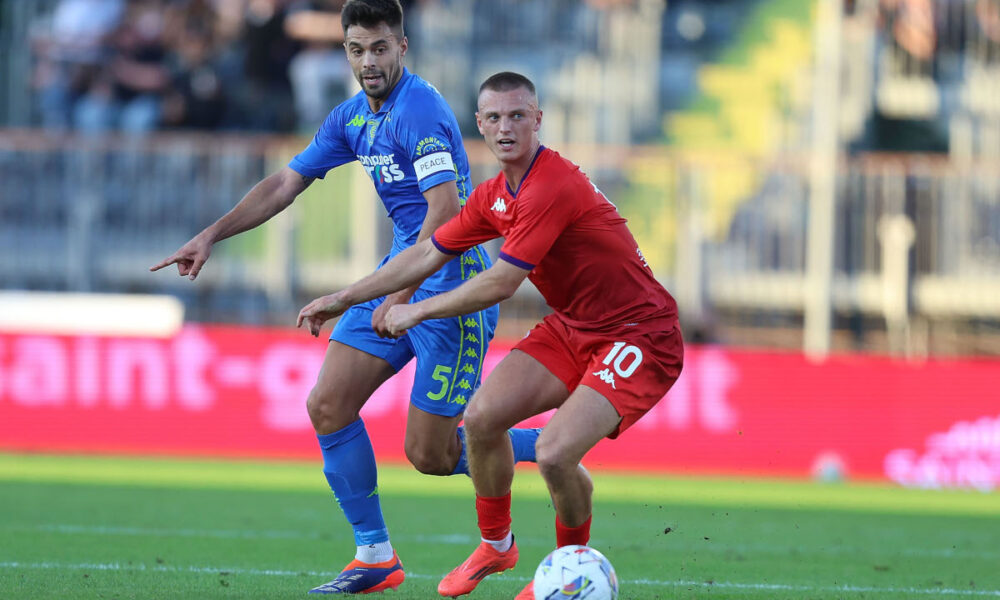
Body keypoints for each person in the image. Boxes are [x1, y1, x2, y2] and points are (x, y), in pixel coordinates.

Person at [150, 4, 542, 594]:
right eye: (357, 50)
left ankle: (546, 443)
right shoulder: (351, 117)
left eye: (379, 49)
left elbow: (445, 218)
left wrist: (402, 299)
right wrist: (211, 235)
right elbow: (286, 181)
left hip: (452, 292)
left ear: (402, 47)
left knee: (429, 455)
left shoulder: (422, 113)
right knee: (327, 405)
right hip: (395, 278)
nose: (368, 62)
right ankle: (375, 556)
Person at [296, 71, 684, 599]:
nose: (506, 127)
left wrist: (417, 310)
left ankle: (569, 570)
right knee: (479, 420)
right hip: (574, 324)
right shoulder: (495, 195)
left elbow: (502, 281)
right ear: (479, 125)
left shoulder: (551, 184)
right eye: (495, 118)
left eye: (518, 116)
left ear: (538, 121)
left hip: (639, 334)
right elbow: (429, 251)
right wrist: (347, 298)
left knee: (552, 453)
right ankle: (497, 544)